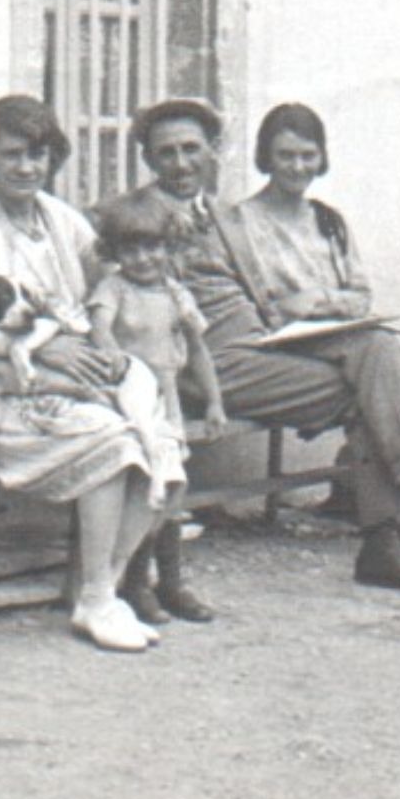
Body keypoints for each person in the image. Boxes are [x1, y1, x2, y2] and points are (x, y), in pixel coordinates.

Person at [97, 98, 400, 593]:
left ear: (212, 153)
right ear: (147, 158)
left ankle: (392, 529)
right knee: (374, 387)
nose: (181, 163)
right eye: (166, 153)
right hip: (195, 368)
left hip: (261, 353)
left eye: (192, 150)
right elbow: (105, 294)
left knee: (378, 354)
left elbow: (264, 295)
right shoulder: (124, 217)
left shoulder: (227, 217)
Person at [0, 94, 181, 652]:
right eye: (12, 154)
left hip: (69, 381)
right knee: (113, 439)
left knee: (161, 443)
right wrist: (40, 352)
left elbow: (107, 277)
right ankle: (97, 596)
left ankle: (101, 588)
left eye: (39, 155)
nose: (26, 167)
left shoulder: (60, 219)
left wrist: (104, 337)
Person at [85, 200, 228, 624]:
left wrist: (215, 400)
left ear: (168, 246)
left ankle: (171, 580)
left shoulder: (176, 294)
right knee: (144, 484)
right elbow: (100, 330)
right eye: (130, 250)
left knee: (174, 487)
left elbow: (198, 350)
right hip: (129, 396)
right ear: (115, 253)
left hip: (167, 399)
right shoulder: (113, 289)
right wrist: (114, 360)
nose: (143, 259)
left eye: (152, 248)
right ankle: (134, 583)